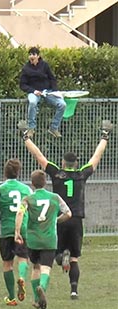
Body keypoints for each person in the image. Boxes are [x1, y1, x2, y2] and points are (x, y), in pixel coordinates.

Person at [18, 120, 112, 299]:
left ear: (63, 162)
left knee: (54, 254)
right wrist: (104, 137)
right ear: (76, 163)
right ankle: (74, 290)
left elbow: (39, 156)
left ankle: (61, 257)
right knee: (75, 257)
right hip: (76, 218)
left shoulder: (56, 173)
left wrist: (25, 138)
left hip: (60, 218)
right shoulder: (81, 174)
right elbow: (96, 157)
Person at [15, 170, 72, 309]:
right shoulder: (55, 197)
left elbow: (20, 212)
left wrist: (17, 231)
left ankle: (36, 298)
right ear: (45, 182)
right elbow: (68, 213)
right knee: (46, 268)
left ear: (32, 184)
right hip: (49, 239)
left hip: (33, 240)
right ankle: (42, 287)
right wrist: (56, 220)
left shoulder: (27, 199)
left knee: (35, 267)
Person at [0, 159, 32, 306]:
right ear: (18, 172)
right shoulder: (26, 189)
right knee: (23, 258)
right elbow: (32, 207)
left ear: (4, 173)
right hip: (23, 230)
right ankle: (22, 278)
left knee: (7, 263)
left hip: (6, 230)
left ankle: (12, 297)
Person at [19, 47, 65, 138]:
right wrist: (33, 91)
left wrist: (55, 91)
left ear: (38, 56)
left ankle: (53, 128)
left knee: (62, 104)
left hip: (47, 92)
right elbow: (23, 85)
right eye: (30, 54)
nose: (31, 56)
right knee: (32, 102)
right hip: (34, 92)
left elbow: (52, 79)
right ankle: (31, 128)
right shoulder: (26, 69)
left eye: (33, 54)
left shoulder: (45, 65)